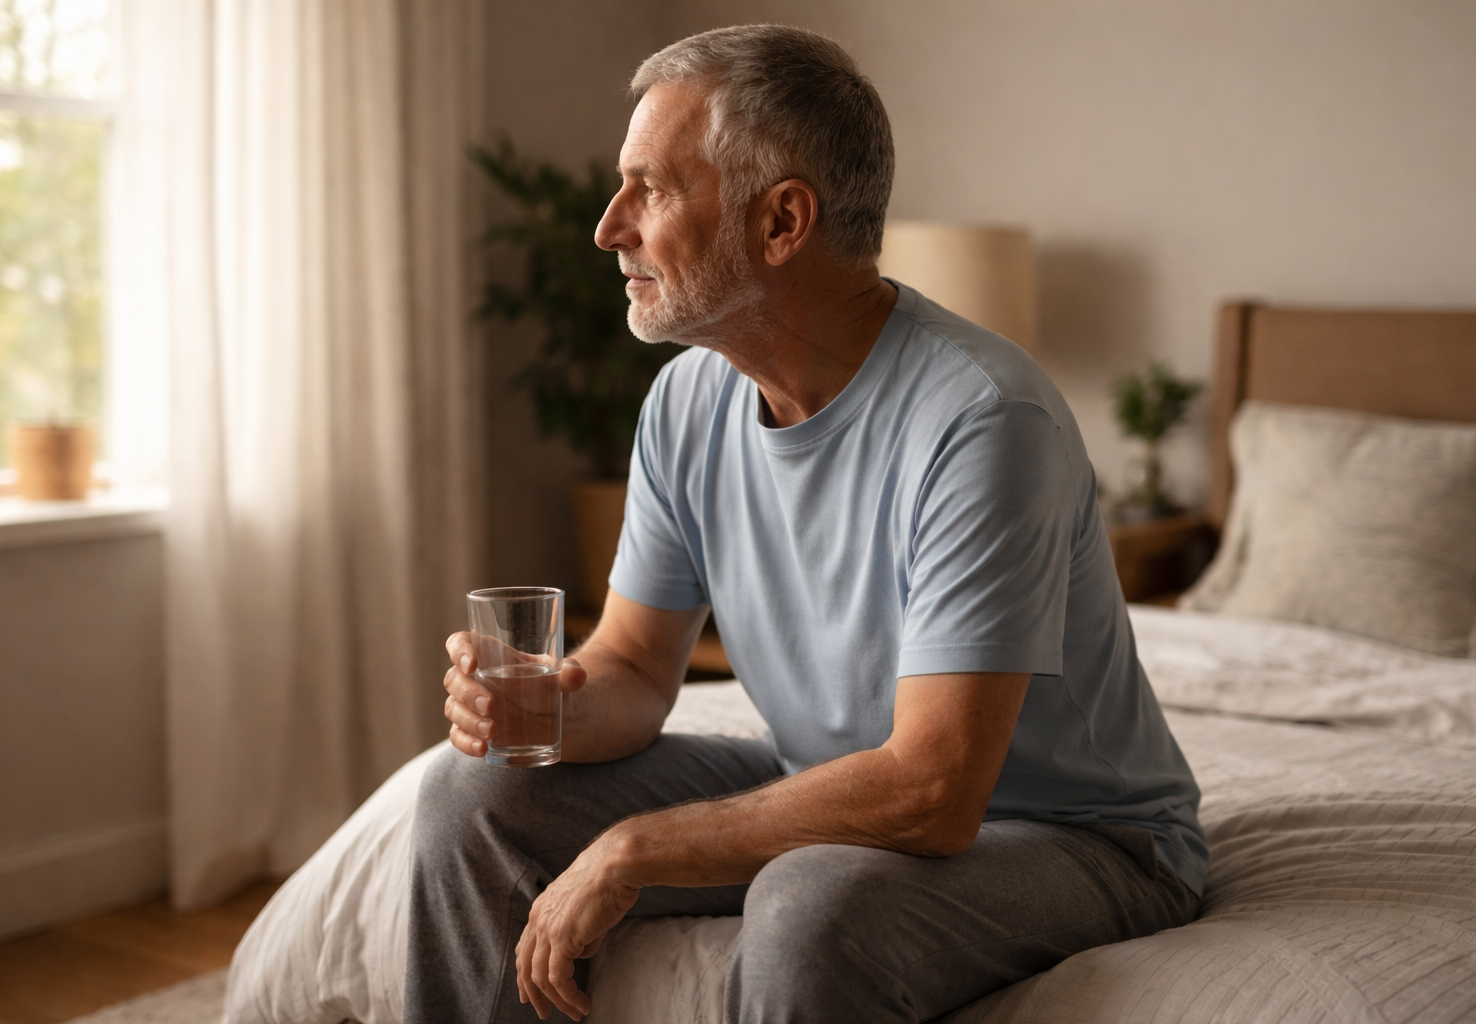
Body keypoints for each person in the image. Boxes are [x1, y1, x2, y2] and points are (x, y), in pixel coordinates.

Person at [405, 24, 1206, 1024]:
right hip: (827, 780)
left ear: (783, 221)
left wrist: (634, 846)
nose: (609, 226)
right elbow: (634, 670)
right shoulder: (688, 401)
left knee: (809, 896)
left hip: (1079, 834)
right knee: (469, 796)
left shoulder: (983, 420)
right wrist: (543, 711)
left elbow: (933, 790)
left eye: (651, 189)